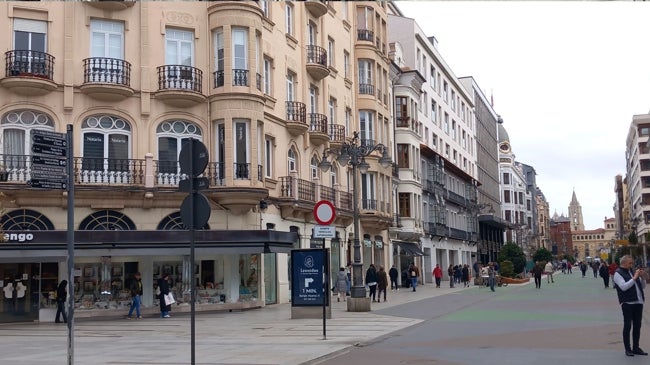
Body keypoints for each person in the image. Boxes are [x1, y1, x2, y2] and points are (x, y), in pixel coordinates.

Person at [613, 255, 647, 357]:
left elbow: (643, 286)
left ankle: (636, 347)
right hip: (627, 303)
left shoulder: (632, 271)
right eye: (630, 263)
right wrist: (635, 277)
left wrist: (643, 277)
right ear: (623, 263)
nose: (631, 265)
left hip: (638, 302)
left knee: (637, 326)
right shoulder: (618, 273)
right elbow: (623, 287)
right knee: (628, 325)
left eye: (632, 263)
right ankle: (628, 349)